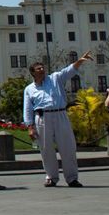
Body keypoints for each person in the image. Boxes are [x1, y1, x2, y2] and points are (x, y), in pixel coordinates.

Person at [23, 51, 93, 187]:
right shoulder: (29, 89)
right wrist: (30, 127)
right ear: (33, 73)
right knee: (46, 149)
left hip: (60, 114)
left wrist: (80, 60)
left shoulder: (55, 78)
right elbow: (27, 108)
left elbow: (69, 71)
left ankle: (72, 177)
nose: (42, 70)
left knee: (68, 147)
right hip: (42, 117)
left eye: (43, 67)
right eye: (38, 69)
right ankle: (51, 177)